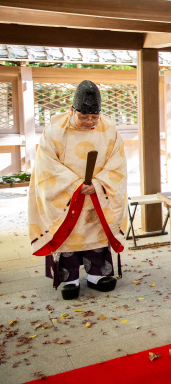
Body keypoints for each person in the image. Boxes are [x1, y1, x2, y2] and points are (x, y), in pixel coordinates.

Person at [28, 80, 127, 300]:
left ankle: (96, 275)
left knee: (96, 231)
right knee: (69, 233)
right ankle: (70, 279)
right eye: (84, 116)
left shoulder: (110, 129)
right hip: (67, 194)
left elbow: (117, 163)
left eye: (94, 117)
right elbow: (47, 165)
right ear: (72, 110)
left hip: (97, 194)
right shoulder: (54, 130)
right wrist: (74, 185)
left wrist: (98, 185)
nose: (89, 121)